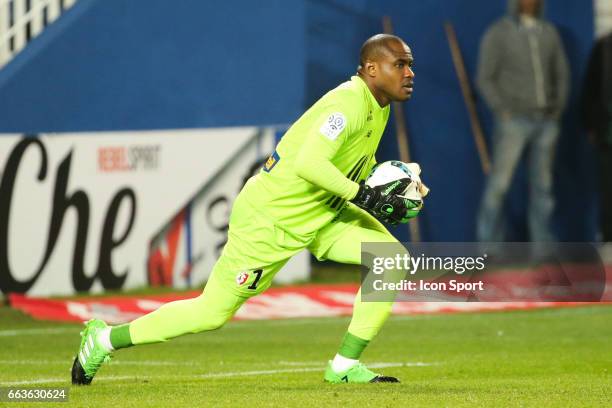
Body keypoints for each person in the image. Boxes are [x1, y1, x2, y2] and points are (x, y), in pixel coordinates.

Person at [71, 34, 423, 385]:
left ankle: (344, 366)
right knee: (211, 312)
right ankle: (103, 340)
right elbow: (310, 164)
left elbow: (353, 163)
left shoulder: (378, 108)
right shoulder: (345, 105)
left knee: (389, 259)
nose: (409, 73)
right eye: (400, 65)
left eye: (410, 65)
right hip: (271, 219)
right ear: (372, 69)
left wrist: (395, 183)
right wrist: (361, 195)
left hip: (324, 213)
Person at [476, 0, 569, 242]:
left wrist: (556, 110)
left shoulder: (548, 32)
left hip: (546, 120)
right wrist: (503, 110)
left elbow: (561, 73)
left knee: (543, 188)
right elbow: (485, 77)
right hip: (514, 122)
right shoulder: (499, 32)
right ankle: (489, 247)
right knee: (499, 186)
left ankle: (543, 247)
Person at [581, 32, 612, 242]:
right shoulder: (604, 47)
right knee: (608, 190)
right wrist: (591, 126)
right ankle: (609, 237)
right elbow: (589, 89)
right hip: (607, 134)